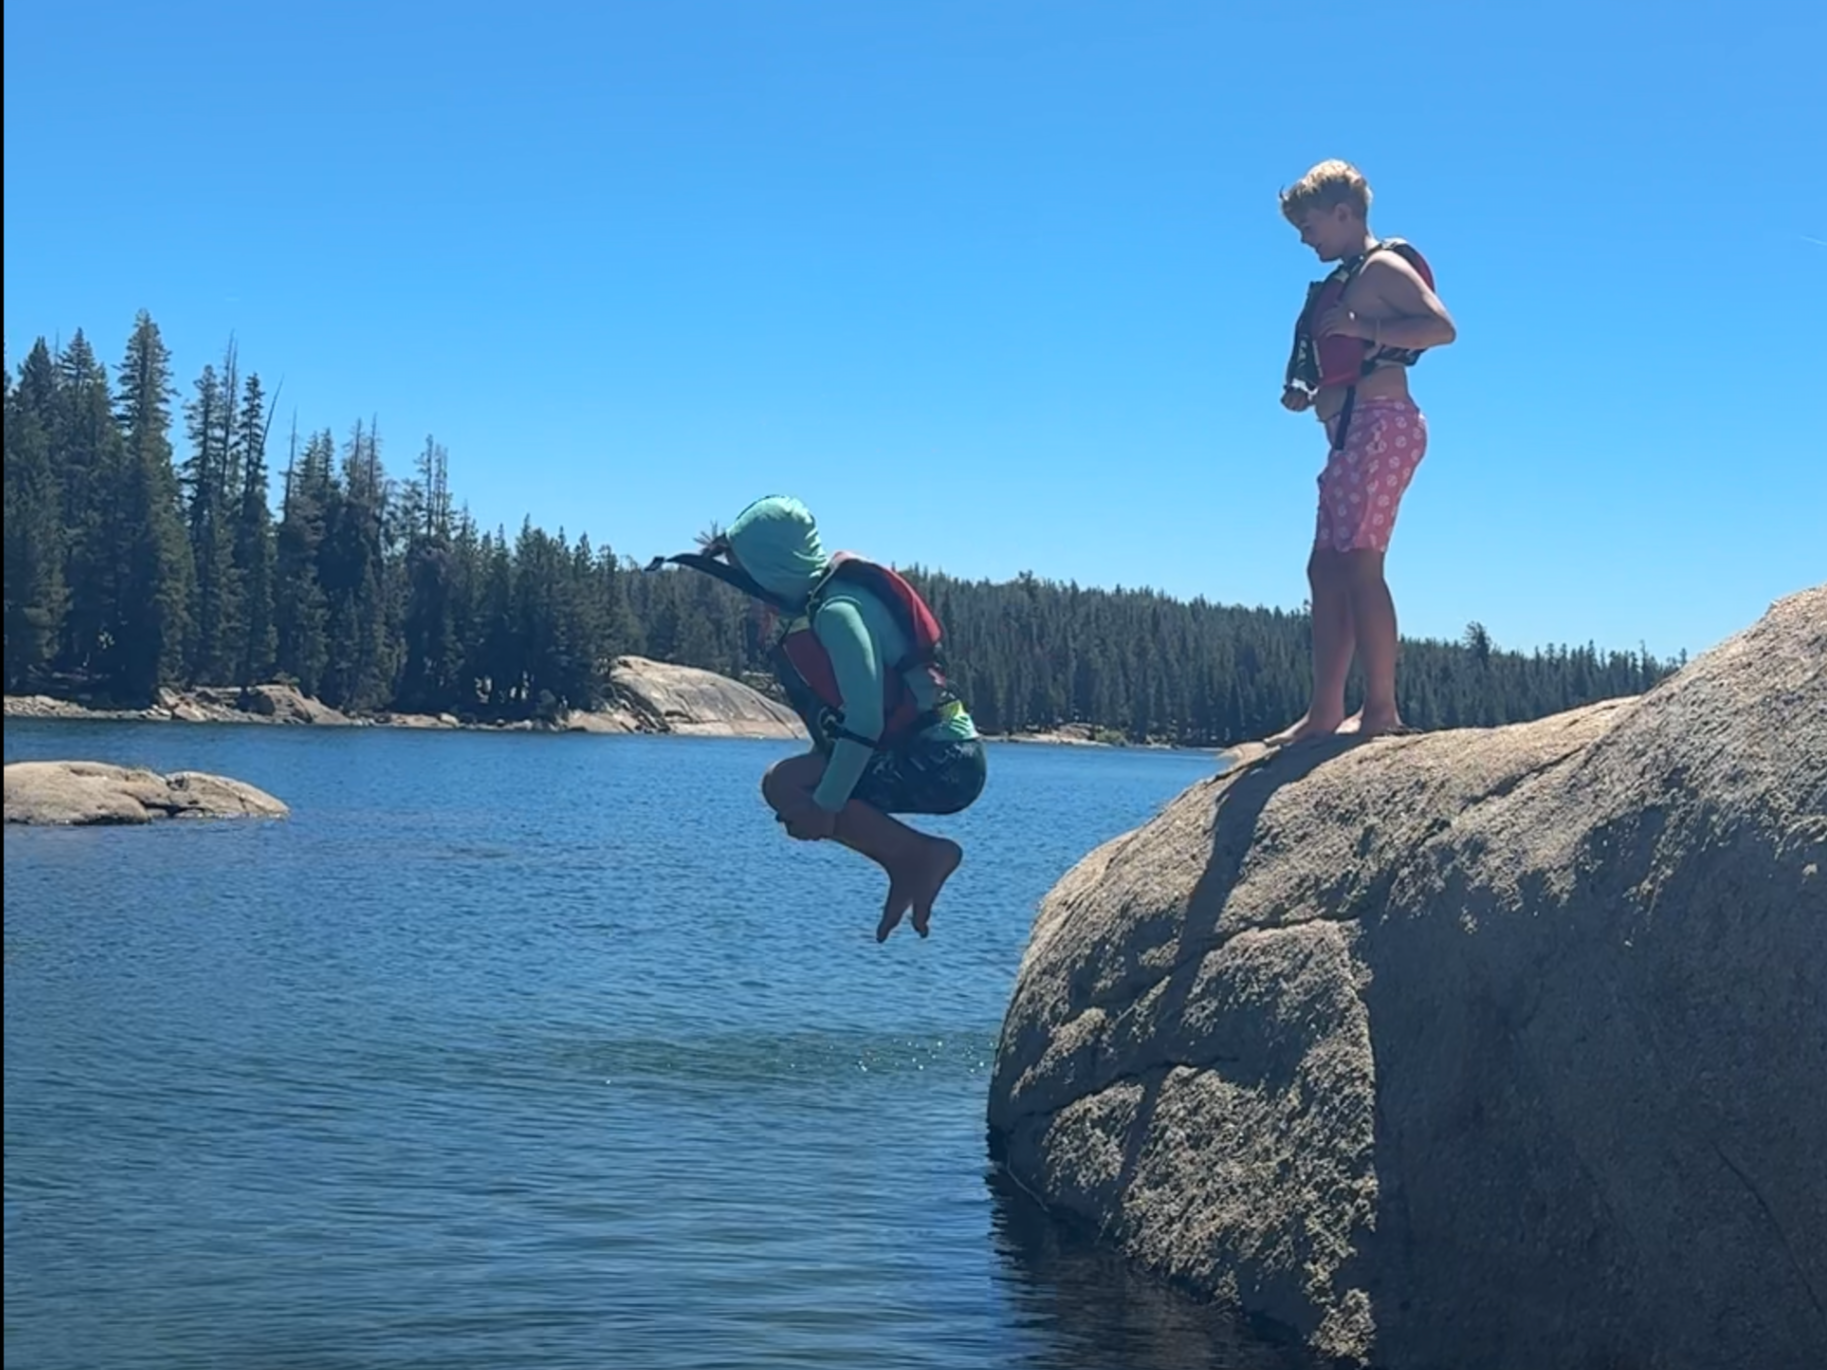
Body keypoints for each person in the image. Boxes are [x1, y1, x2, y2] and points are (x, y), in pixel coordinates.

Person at [647, 495, 987, 942]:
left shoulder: (837, 612)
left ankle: (919, 856)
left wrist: (826, 808)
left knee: (786, 785)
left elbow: (865, 720)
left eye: (748, 577)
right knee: (787, 781)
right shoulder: (822, 603)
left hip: (945, 761)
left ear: (775, 570)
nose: (749, 596)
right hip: (924, 749)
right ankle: (906, 861)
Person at [1268, 159, 1457, 745]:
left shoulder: (1382, 268)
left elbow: (1440, 327)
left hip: (1383, 425)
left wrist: (1364, 330)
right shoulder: (1347, 278)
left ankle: (1381, 710)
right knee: (1325, 566)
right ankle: (1324, 710)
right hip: (1352, 429)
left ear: (1344, 214)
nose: (1304, 237)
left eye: (1310, 224)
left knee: (1359, 563)